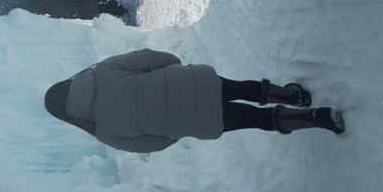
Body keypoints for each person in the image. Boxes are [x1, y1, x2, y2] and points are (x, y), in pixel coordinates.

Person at [44, 48, 344, 153]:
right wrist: (173, 67)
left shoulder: (103, 132)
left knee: (254, 120)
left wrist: (172, 127)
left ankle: (316, 119)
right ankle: (293, 95)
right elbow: (149, 58)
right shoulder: (101, 71)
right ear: (68, 82)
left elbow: (153, 144)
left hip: (196, 121)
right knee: (243, 89)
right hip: (191, 83)